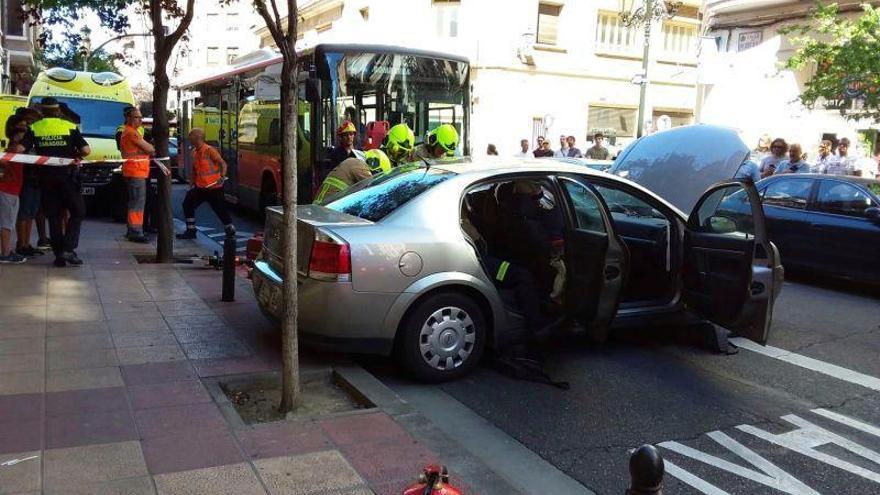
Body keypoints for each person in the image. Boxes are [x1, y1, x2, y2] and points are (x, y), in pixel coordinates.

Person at [23, 97, 90, 267]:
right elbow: (86, 150)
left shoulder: (34, 128)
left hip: (45, 179)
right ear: (58, 111)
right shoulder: (68, 126)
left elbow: (19, 150)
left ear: (42, 111)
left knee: (53, 216)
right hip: (67, 178)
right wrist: (73, 153)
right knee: (78, 211)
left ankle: (59, 255)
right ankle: (68, 248)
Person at [176, 128, 234, 239]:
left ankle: (230, 228)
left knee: (220, 209)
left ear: (198, 137)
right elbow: (195, 170)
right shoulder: (194, 152)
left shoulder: (209, 150)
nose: (189, 138)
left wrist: (222, 176)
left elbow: (223, 163)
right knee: (187, 204)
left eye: (191, 136)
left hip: (214, 187)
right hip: (201, 188)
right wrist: (191, 185)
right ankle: (191, 231)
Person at [13, 107, 48, 256]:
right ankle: (21, 244)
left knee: (31, 213)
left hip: (36, 177)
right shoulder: (22, 133)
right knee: (24, 213)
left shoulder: (35, 134)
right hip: (26, 177)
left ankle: (26, 244)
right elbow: (17, 149)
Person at [119, 107, 154, 243]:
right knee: (138, 204)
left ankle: (131, 230)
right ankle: (136, 231)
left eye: (140, 117)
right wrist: (149, 148)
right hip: (135, 171)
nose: (140, 120)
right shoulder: (132, 133)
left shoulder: (129, 131)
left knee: (134, 202)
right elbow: (150, 149)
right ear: (128, 118)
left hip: (132, 170)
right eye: (136, 117)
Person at [0, 115, 27, 263]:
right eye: (22, 126)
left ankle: (7, 250)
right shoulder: (15, 148)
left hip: (13, 190)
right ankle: (5, 253)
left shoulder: (15, 147)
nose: (25, 129)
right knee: (6, 223)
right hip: (7, 190)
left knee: (8, 222)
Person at [314, 149, 387, 204]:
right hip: (326, 210)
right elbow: (374, 190)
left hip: (321, 207)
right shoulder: (358, 164)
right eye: (377, 173)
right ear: (374, 163)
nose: (375, 175)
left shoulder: (351, 162)